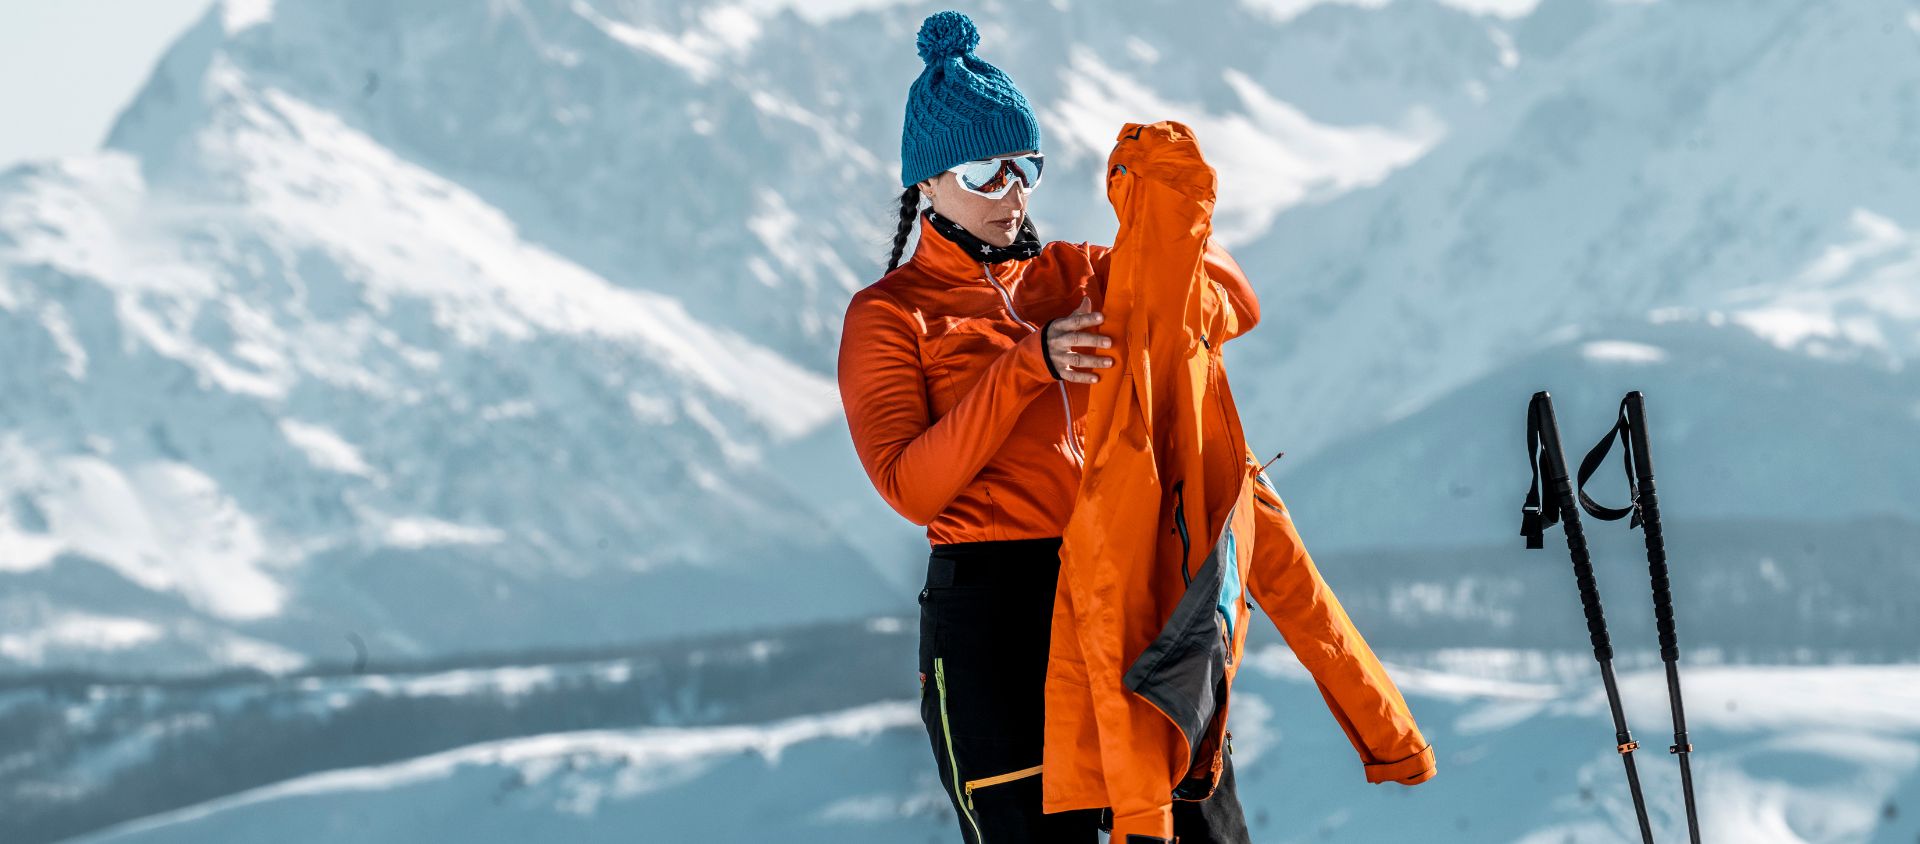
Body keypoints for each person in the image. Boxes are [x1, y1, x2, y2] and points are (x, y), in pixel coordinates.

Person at [835, 11, 1260, 843]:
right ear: (925, 184)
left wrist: (1163, 229)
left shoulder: (1078, 272)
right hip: (994, 612)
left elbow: (1233, 304)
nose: (1012, 193)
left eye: (1024, 166)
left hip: (1127, 585)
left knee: (1200, 824)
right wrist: (1028, 366)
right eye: (984, 173)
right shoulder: (890, 316)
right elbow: (910, 486)